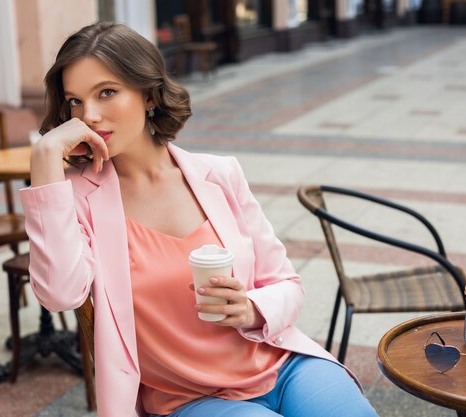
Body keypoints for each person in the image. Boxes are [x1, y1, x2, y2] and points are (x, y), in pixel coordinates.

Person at [21, 21, 378, 417]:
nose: (88, 115)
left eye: (107, 92)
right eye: (74, 101)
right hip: (189, 399)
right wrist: (45, 164)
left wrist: (251, 308)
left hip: (281, 366)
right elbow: (58, 294)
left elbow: (287, 284)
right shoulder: (77, 198)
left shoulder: (219, 175)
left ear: (149, 95)